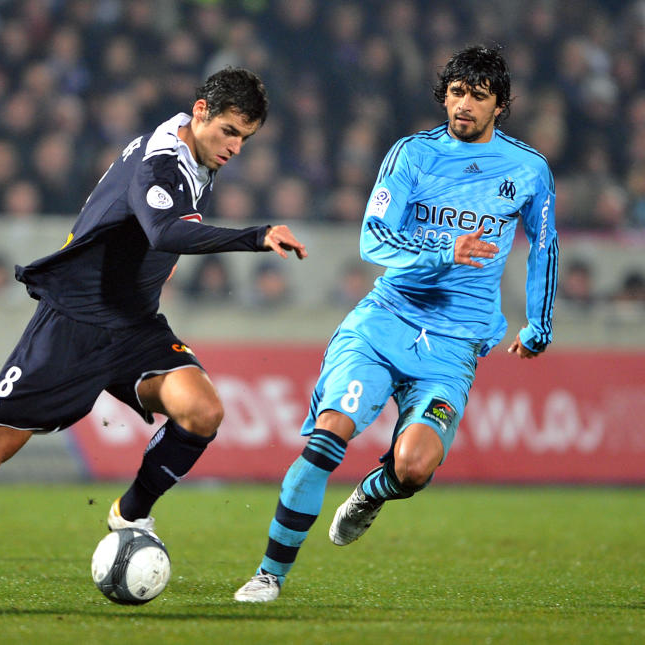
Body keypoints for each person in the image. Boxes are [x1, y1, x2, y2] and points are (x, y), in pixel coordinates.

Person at [0, 67, 307, 601]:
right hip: (74, 324)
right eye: (229, 131)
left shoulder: (198, 154)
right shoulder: (162, 161)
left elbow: (149, 236)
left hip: (134, 326)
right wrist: (257, 235)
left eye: (245, 139)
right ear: (201, 111)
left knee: (203, 412)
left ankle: (130, 513)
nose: (236, 147)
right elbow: (163, 229)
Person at [234, 45, 558, 602]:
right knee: (329, 432)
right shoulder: (411, 155)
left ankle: (373, 491)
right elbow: (372, 239)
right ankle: (269, 574)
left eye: (478, 97)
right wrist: (444, 248)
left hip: (454, 344)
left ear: (500, 106)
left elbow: (545, 244)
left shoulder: (527, 170)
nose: (464, 105)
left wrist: (538, 324)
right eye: (456, 93)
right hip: (386, 323)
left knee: (413, 467)